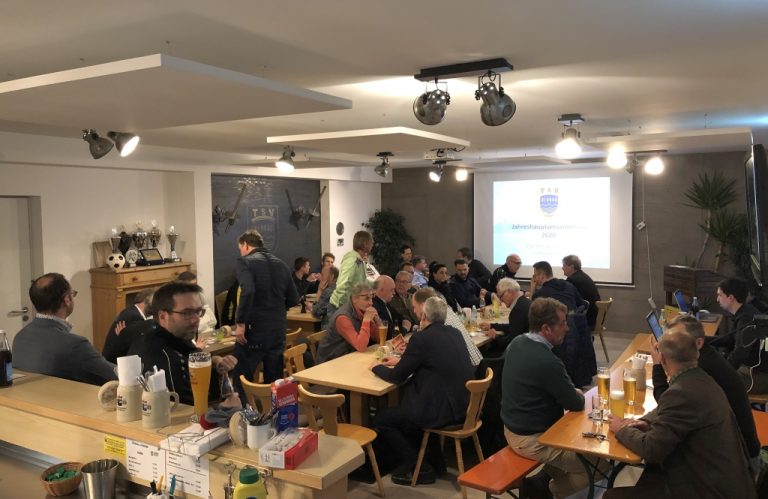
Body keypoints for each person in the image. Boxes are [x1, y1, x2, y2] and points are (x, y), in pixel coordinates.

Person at [606, 330, 756, 499]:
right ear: (696, 354)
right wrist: (645, 422)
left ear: (662, 359)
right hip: (728, 480)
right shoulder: (703, 379)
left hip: (707, 489)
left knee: (613, 496)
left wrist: (621, 429)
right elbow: (668, 411)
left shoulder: (681, 392)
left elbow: (651, 449)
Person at [501, 297, 600, 499]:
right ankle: (549, 492)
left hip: (512, 428)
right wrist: (575, 392)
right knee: (598, 465)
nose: (567, 328)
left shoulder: (516, 342)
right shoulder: (548, 361)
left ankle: (541, 480)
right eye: (562, 323)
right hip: (532, 439)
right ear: (546, 328)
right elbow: (576, 403)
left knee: (578, 439)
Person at [370, 296, 474, 486]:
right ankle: (436, 463)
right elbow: (431, 361)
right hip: (463, 407)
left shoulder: (422, 338)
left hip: (439, 411)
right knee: (410, 406)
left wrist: (376, 367)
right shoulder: (455, 332)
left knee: (381, 419)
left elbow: (397, 376)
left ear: (424, 316)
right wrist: (401, 361)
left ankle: (420, 467)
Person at [650, 316, 761, 474]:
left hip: (739, 464)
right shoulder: (706, 356)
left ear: (698, 343)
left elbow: (666, 403)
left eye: (678, 339)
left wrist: (657, 365)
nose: (672, 346)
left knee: (661, 456)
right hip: (734, 451)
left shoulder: (701, 368)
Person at [130, 281, 238, 406]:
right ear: (163, 316)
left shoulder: (175, 335)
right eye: (186, 313)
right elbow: (186, 410)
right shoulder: (162, 356)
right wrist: (225, 408)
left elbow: (194, 355)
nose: (196, 319)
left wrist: (216, 362)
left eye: (198, 311)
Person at [13, 273, 117, 386]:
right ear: (67, 299)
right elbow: (116, 376)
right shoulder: (75, 345)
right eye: (73, 294)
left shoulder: (20, 337)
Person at [233, 230, 300, 395]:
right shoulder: (282, 264)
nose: (240, 252)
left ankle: (246, 410)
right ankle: (274, 411)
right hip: (277, 329)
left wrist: (240, 323)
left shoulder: (245, 262)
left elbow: (248, 291)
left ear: (245, 245)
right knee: (275, 382)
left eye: (240, 248)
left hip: (253, 330)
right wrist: (276, 309)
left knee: (241, 379)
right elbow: (294, 299)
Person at [531, 261, 596, 388]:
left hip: (559, 336)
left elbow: (533, 310)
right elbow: (582, 304)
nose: (534, 279)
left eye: (535, 275)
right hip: (578, 331)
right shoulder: (568, 285)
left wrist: (532, 289)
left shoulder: (541, 293)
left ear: (541, 275)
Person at [712, 277, 766, 391]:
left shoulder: (746, 318)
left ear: (731, 298)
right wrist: (705, 340)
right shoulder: (745, 311)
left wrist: (721, 373)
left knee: (712, 384)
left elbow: (739, 354)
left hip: (757, 376)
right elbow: (730, 339)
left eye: (720, 295)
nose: (717, 299)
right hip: (751, 370)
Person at [412, 287, 483, 367]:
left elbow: (423, 353)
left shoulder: (435, 319)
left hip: (469, 369)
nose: (414, 311)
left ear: (423, 306)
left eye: (414, 307)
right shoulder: (447, 310)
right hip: (479, 366)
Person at [316, 282, 379, 363]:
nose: (371, 303)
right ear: (354, 299)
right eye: (367, 299)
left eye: (371, 298)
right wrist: (366, 321)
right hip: (329, 363)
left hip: (349, 357)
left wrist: (377, 319)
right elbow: (361, 346)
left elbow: (379, 339)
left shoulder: (363, 311)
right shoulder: (343, 317)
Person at [328, 230, 374, 319]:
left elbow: (361, 282)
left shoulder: (360, 261)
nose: (372, 245)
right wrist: (346, 307)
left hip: (348, 306)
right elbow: (343, 285)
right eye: (371, 242)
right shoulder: (352, 260)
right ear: (365, 244)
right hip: (339, 306)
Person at [480, 278, 531, 356]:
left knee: (484, 353)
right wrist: (492, 326)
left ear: (509, 292)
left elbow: (510, 342)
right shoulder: (524, 302)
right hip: (526, 346)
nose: (500, 300)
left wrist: (495, 336)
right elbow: (514, 326)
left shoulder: (518, 309)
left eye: (501, 296)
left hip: (519, 353)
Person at [102, 288, 154, 363]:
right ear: (146, 299)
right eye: (154, 302)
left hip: (111, 360)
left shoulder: (130, 312)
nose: (156, 306)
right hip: (116, 364)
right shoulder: (135, 317)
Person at [561, 255, 601, 327]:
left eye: (564, 265)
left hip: (586, 318)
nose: (562, 268)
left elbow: (568, 300)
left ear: (572, 267)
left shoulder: (573, 280)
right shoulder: (582, 275)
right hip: (593, 315)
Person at [177, 271, 218, 336]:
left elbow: (213, 321)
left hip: (207, 334)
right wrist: (205, 319)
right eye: (191, 286)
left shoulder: (199, 295)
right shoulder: (178, 302)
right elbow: (187, 328)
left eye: (195, 284)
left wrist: (201, 323)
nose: (194, 288)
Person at [311, 265, 339, 331]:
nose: (321, 278)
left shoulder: (328, 291)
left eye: (323, 275)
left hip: (329, 331)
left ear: (332, 276)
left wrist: (319, 290)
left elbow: (316, 312)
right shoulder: (339, 288)